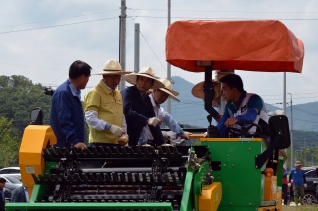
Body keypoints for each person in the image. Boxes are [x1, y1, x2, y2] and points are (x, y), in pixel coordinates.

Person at [84, 59, 131, 147]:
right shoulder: (95, 92)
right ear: (104, 76)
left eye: (118, 78)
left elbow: (121, 116)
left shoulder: (118, 94)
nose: (116, 81)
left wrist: (125, 134)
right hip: (100, 142)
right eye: (113, 78)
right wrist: (109, 127)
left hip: (117, 142)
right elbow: (90, 118)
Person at [50, 60, 92, 150]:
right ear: (82, 77)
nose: (88, 81)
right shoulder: (63, 93)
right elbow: (64, 120)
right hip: (64, 149)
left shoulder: (74, 93)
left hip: (72, 147)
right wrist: (75, 141)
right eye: (88, 78)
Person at [121, 67, 165, 146]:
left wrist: (162, 144)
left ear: (151, 84)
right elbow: (128, 112)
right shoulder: (128, 92)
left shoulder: (147, 98)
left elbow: (153, 123)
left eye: (147, 81)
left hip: (135, 140)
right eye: (141, 79)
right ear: (137, 80)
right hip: (122, 138)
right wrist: (147, 120)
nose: (143, 83)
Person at [139, 78, 191, 145]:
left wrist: (181, 132)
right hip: (140, 144)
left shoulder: (159, 109)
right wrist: (142, 142)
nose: (163, 98)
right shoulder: (145, 103)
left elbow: (169, 120)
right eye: (162, 94)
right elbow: (140, 124)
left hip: (151, 143)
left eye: (166, 96)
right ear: (155, 90)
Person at [216, 74, 270, 138]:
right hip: (242, 141)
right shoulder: (229, 106)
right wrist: (215, 133)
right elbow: (223, 122)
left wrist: (236, 119)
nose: (222, 94)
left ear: (234, 90)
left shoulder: (254, 99)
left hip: (261, 140)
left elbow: (251, 116)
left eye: (224, 90)